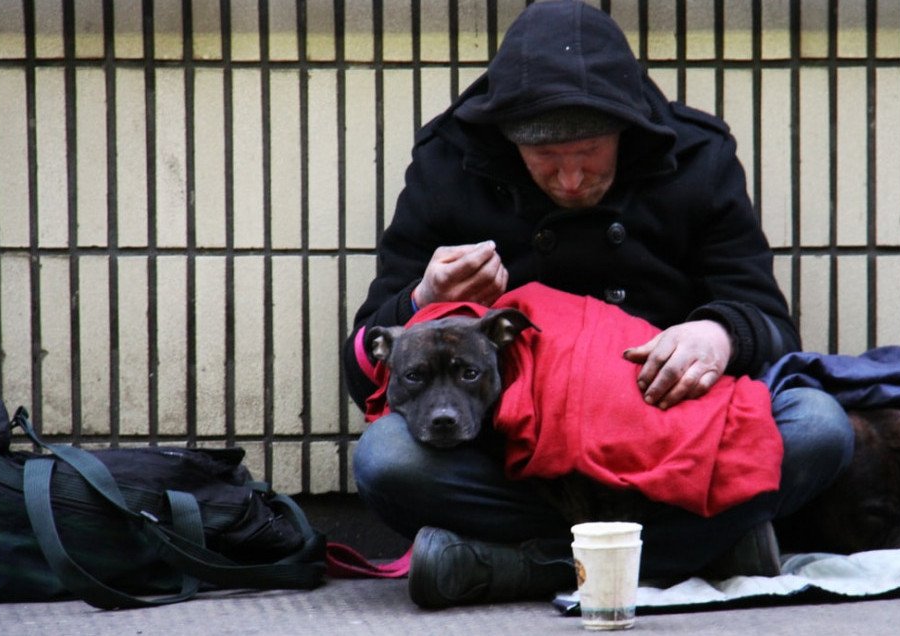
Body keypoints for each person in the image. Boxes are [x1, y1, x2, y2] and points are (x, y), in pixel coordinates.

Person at [342, 0, 854, 609]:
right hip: (515, 454)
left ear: (625, 130)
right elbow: (365, 365)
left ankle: (511, 567)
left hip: (663, 434)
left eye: (589, 156)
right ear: (509, 142)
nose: (570, 182)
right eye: (546, 161)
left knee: (820, 426)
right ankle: (699, 548)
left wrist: (717, 334)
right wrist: (424, 297)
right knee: (386, 459)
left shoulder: (697, 155)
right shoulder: (450, 162)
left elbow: (768, 322)